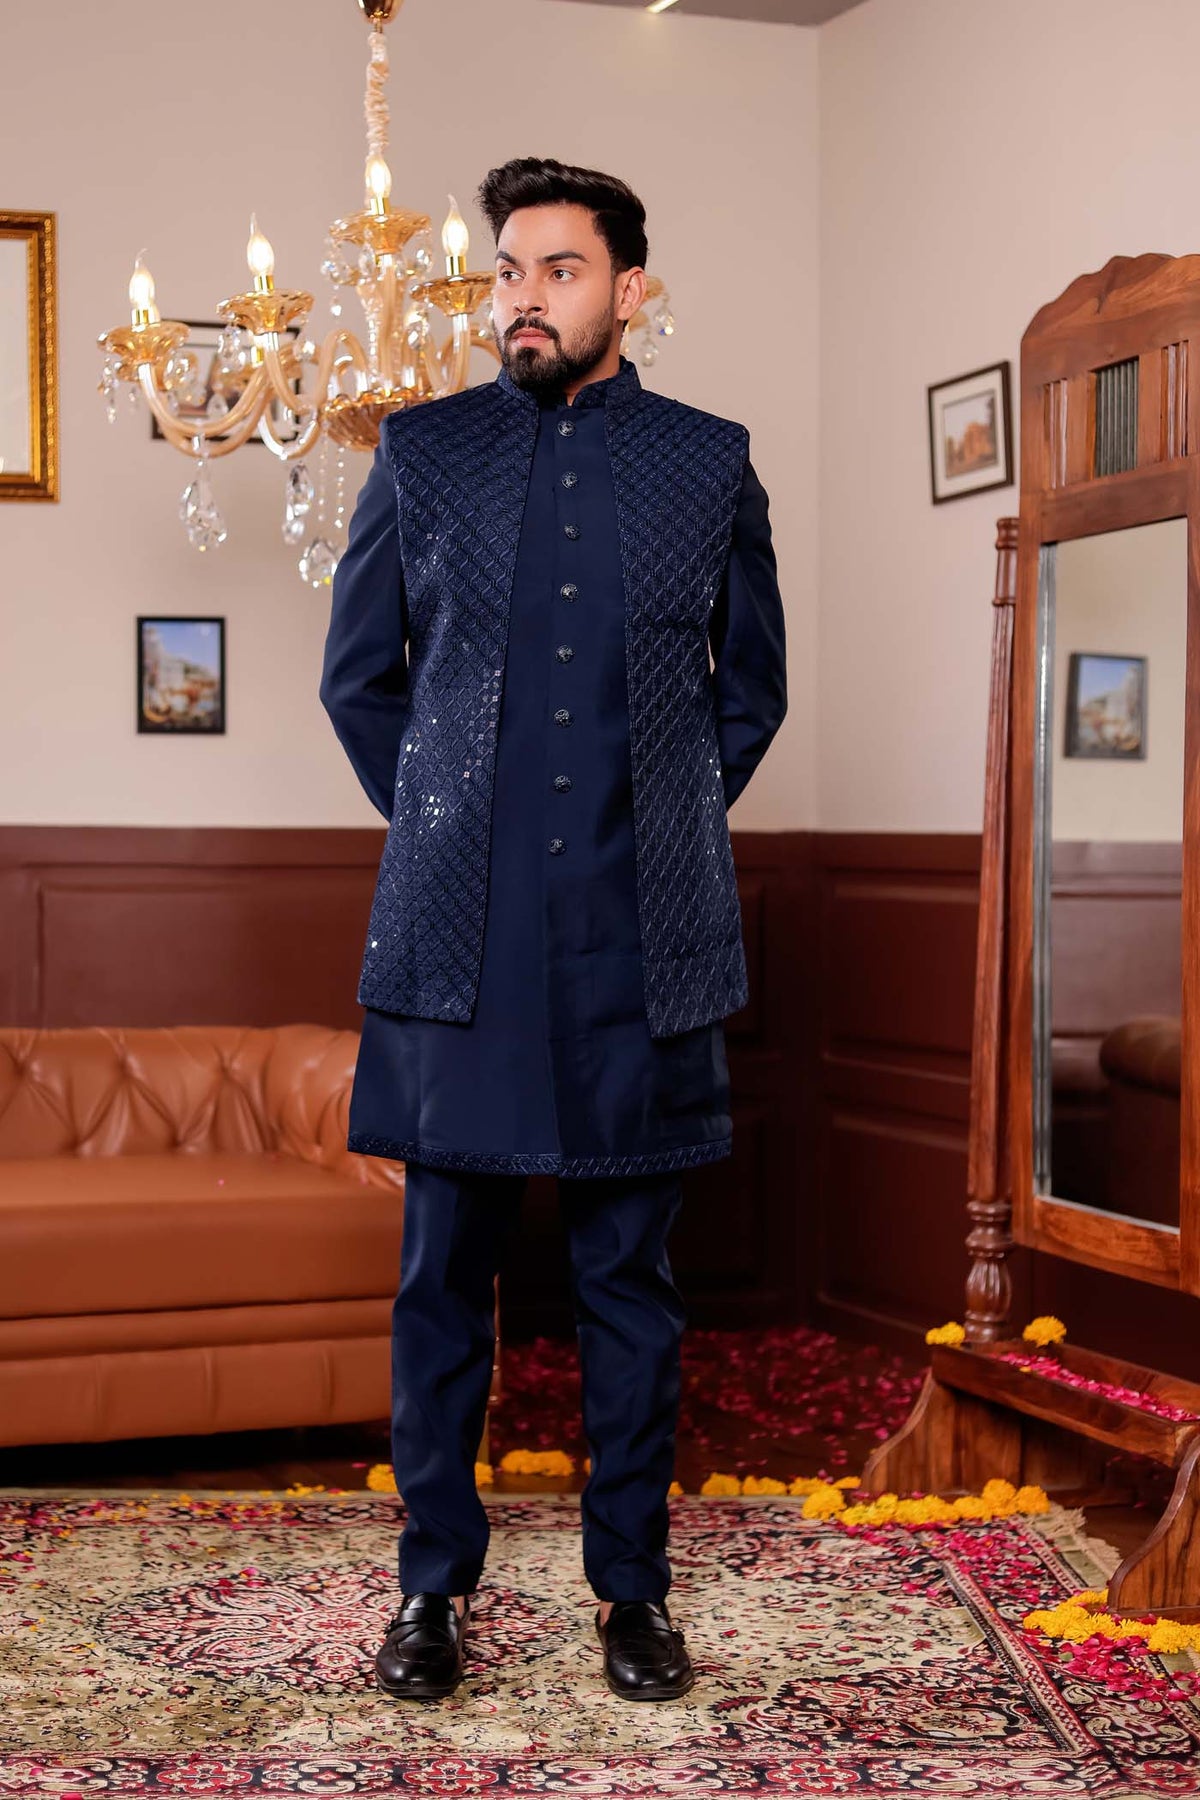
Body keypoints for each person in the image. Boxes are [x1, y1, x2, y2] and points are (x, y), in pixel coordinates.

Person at [319, 155, 787, 1703]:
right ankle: (429, 1592)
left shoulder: (709, 462)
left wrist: (664, 819)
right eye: (507, 270)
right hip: (451, 941)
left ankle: (633, 1596)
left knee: (627, 1290)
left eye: (559, 270)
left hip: (641, 947)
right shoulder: (424, 450)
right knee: (440, 1284)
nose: (522, 297)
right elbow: (359, 679)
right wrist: (449, 816)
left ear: (629, 290)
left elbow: (750, 690)